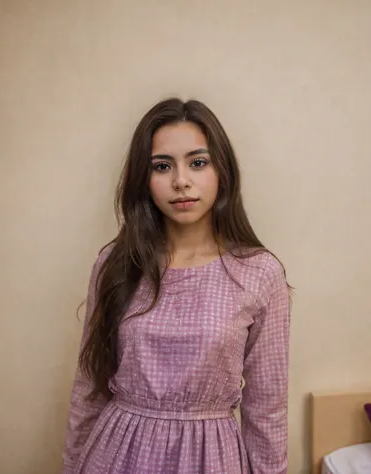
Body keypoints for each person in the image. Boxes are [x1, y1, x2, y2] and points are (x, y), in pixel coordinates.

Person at [62, 98, 291, 474]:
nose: (181, 180)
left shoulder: (259, 272)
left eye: (198, 162)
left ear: (222, 171)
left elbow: (267, 408)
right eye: (162, 166)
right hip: (116, 454)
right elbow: (89, 387)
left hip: (211, 458)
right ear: (144, 179)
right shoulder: (116, 263)